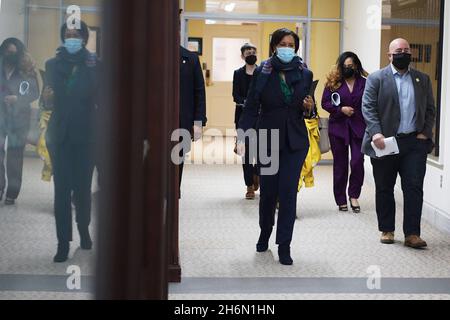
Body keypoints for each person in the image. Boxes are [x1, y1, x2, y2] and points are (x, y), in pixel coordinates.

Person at [237, 28, 314, 265]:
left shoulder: (305, 74)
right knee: (268, 193)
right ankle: (265, 231)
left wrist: (309, 107)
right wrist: (242, 136)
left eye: (291, 44)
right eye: (282, 43)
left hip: (295, 141)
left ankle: (284, 245)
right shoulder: (262, 72)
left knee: (288, 193)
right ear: (273, 46)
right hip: (267, 137)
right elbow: (251, 106)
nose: (287, 48)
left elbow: (309, 110)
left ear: (296, 48)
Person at [362, 38, 435, 248]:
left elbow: (430, 109)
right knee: (385, 187)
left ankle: (412, 234)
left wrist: (425, 132)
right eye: (398, 51)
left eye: (406, 50)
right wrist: (375, 133)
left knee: (413, 187)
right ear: (389, 55)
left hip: (414, 143)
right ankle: (387, 229)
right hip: (385, 142)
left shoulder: (422, 79)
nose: (403, 53)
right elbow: (368, 107)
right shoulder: (376, 78)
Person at [42, 21, 100, 262]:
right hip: (60, 137)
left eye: (76, 35)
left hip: (87, 136)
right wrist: (45, 98)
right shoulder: (52, 65)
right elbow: (46, 101)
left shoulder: (96, 65)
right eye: (68, 34)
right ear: (62, 37)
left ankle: (84, 229)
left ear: (85, 38)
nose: (72, 38)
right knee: (62, 191)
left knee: (83, 190)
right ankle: (62, 242)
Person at [322, 52, 368, 213]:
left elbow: (370, 103)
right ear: (340, 67)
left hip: (358, 128)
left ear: (356, 65)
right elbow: (325, 103)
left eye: (351, 65)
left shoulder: (365, 83)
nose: (348, 68)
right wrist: (340, 109)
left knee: (357, 162)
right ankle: (341, 198)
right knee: (340, 165)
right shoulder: (333, 83)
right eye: (345, 66)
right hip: (338, 129)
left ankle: (354, 195)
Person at [0, 38, 39, 205]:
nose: (10, 55)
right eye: (7, 51)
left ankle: (12, 193)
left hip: (19, 119)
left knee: (15, 157)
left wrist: (18, 99)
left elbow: (34, 93)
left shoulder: (26, 69)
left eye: (13, 53)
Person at [233, 43, 259, 200]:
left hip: (262, 116)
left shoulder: (263, 72)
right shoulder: (238, 74)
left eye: (253, 52)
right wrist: (248, 103)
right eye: (248, 52)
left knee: (262, 150)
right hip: (243, 117)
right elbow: (235, 95)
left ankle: (257, 172)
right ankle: (249, 185)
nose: (251, 54)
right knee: (246, 153)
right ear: (242, 56)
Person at [179, 46, 207, 189]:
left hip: (181, 123)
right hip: (155, 124)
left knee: (176, 164)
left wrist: (198, 122)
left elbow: (199, 92)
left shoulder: (190, 58)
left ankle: (173, 198)